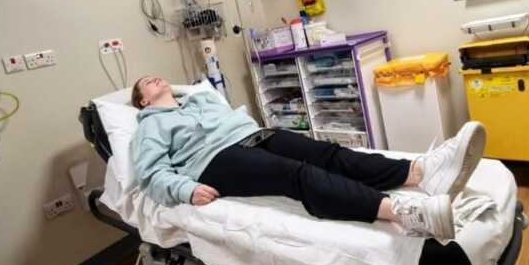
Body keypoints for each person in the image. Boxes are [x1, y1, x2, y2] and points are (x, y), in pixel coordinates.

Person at [130, 76, 485, 240]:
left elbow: (235, 118)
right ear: (143, 101)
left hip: (254, 135)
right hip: (213, 161)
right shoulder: (149, 126)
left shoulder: (199, 99)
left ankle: (418, 172)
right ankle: (403, 213)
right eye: (147, 82)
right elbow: (150, 175)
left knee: (328, 153)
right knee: (295, 174)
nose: (155, 78)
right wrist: (183, 189)